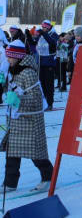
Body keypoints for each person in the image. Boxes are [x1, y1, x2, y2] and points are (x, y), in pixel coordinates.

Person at [0, 40, 54, 192]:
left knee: (36, 153)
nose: (8, 59)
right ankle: (10, 183)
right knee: (12, 153)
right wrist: (2, 84)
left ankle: (48, 177)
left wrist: (18, 99)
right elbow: (7, 92)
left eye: (10, 57)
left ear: (17, 57)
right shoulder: (11, 70)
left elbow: (36, 99)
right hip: (15, 118)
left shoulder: (29, 72)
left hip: (29, 120)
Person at [32, 20, 59, 111]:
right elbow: (33, 43)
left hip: (50, 63)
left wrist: (43, 33)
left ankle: (50, 103)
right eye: (42, 27)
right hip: (41, 62)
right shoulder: (42, 34)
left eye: (45, 27)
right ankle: (43, 103)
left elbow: (52, 43)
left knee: (49, 85)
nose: (43, 28)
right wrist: (29, 35)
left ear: (49, 27)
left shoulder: (54, 34)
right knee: (42, 84)